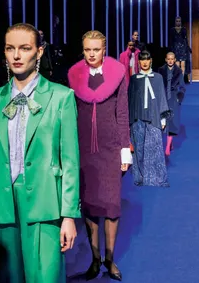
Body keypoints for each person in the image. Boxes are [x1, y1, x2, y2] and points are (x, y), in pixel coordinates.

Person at [0, 23, 80, 283]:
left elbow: (70, 162)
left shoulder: (61, 97)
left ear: (39, 52)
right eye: (10, 48)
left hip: (46, 205)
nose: (17, 55)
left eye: (25, 48)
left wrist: (69, 215)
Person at [67, 30, 131, 281]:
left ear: (104, 49)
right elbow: (69, 114)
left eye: (96, 49)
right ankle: (95, 260)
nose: (91, 54)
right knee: (90, 205)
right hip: (83, 149)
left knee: (112, 205)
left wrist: (125, 149)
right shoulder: (74, 75)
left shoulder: (117, 73)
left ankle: (110, 260)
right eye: (87, 49)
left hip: (111, 147)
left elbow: (122, 112)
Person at [128, 50, 170, 187]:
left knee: (156, 148)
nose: (145, 62)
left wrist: (163, 119)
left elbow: (161, 97)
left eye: (147, 59)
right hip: (137, 118)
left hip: (154, 117)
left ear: (151, 60)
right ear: (139, 62)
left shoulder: (158, 78)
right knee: (138, 149)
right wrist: (128, 122)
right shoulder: (134, 79)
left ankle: (158, 179)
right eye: (142, 59)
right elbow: (130, 100)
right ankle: (140, 178)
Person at [159, 52, 186, 156]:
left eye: (172, 59)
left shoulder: (179, 72)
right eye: (168, 59)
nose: (170, 61)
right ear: (166, 59)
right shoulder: (161, 71)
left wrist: (179, 98)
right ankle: (169, 143)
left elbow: (182, 87)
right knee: (163, 121)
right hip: (163, 97)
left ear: (175, 60)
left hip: (174, 98)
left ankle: (167, 146)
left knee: (173, 122)